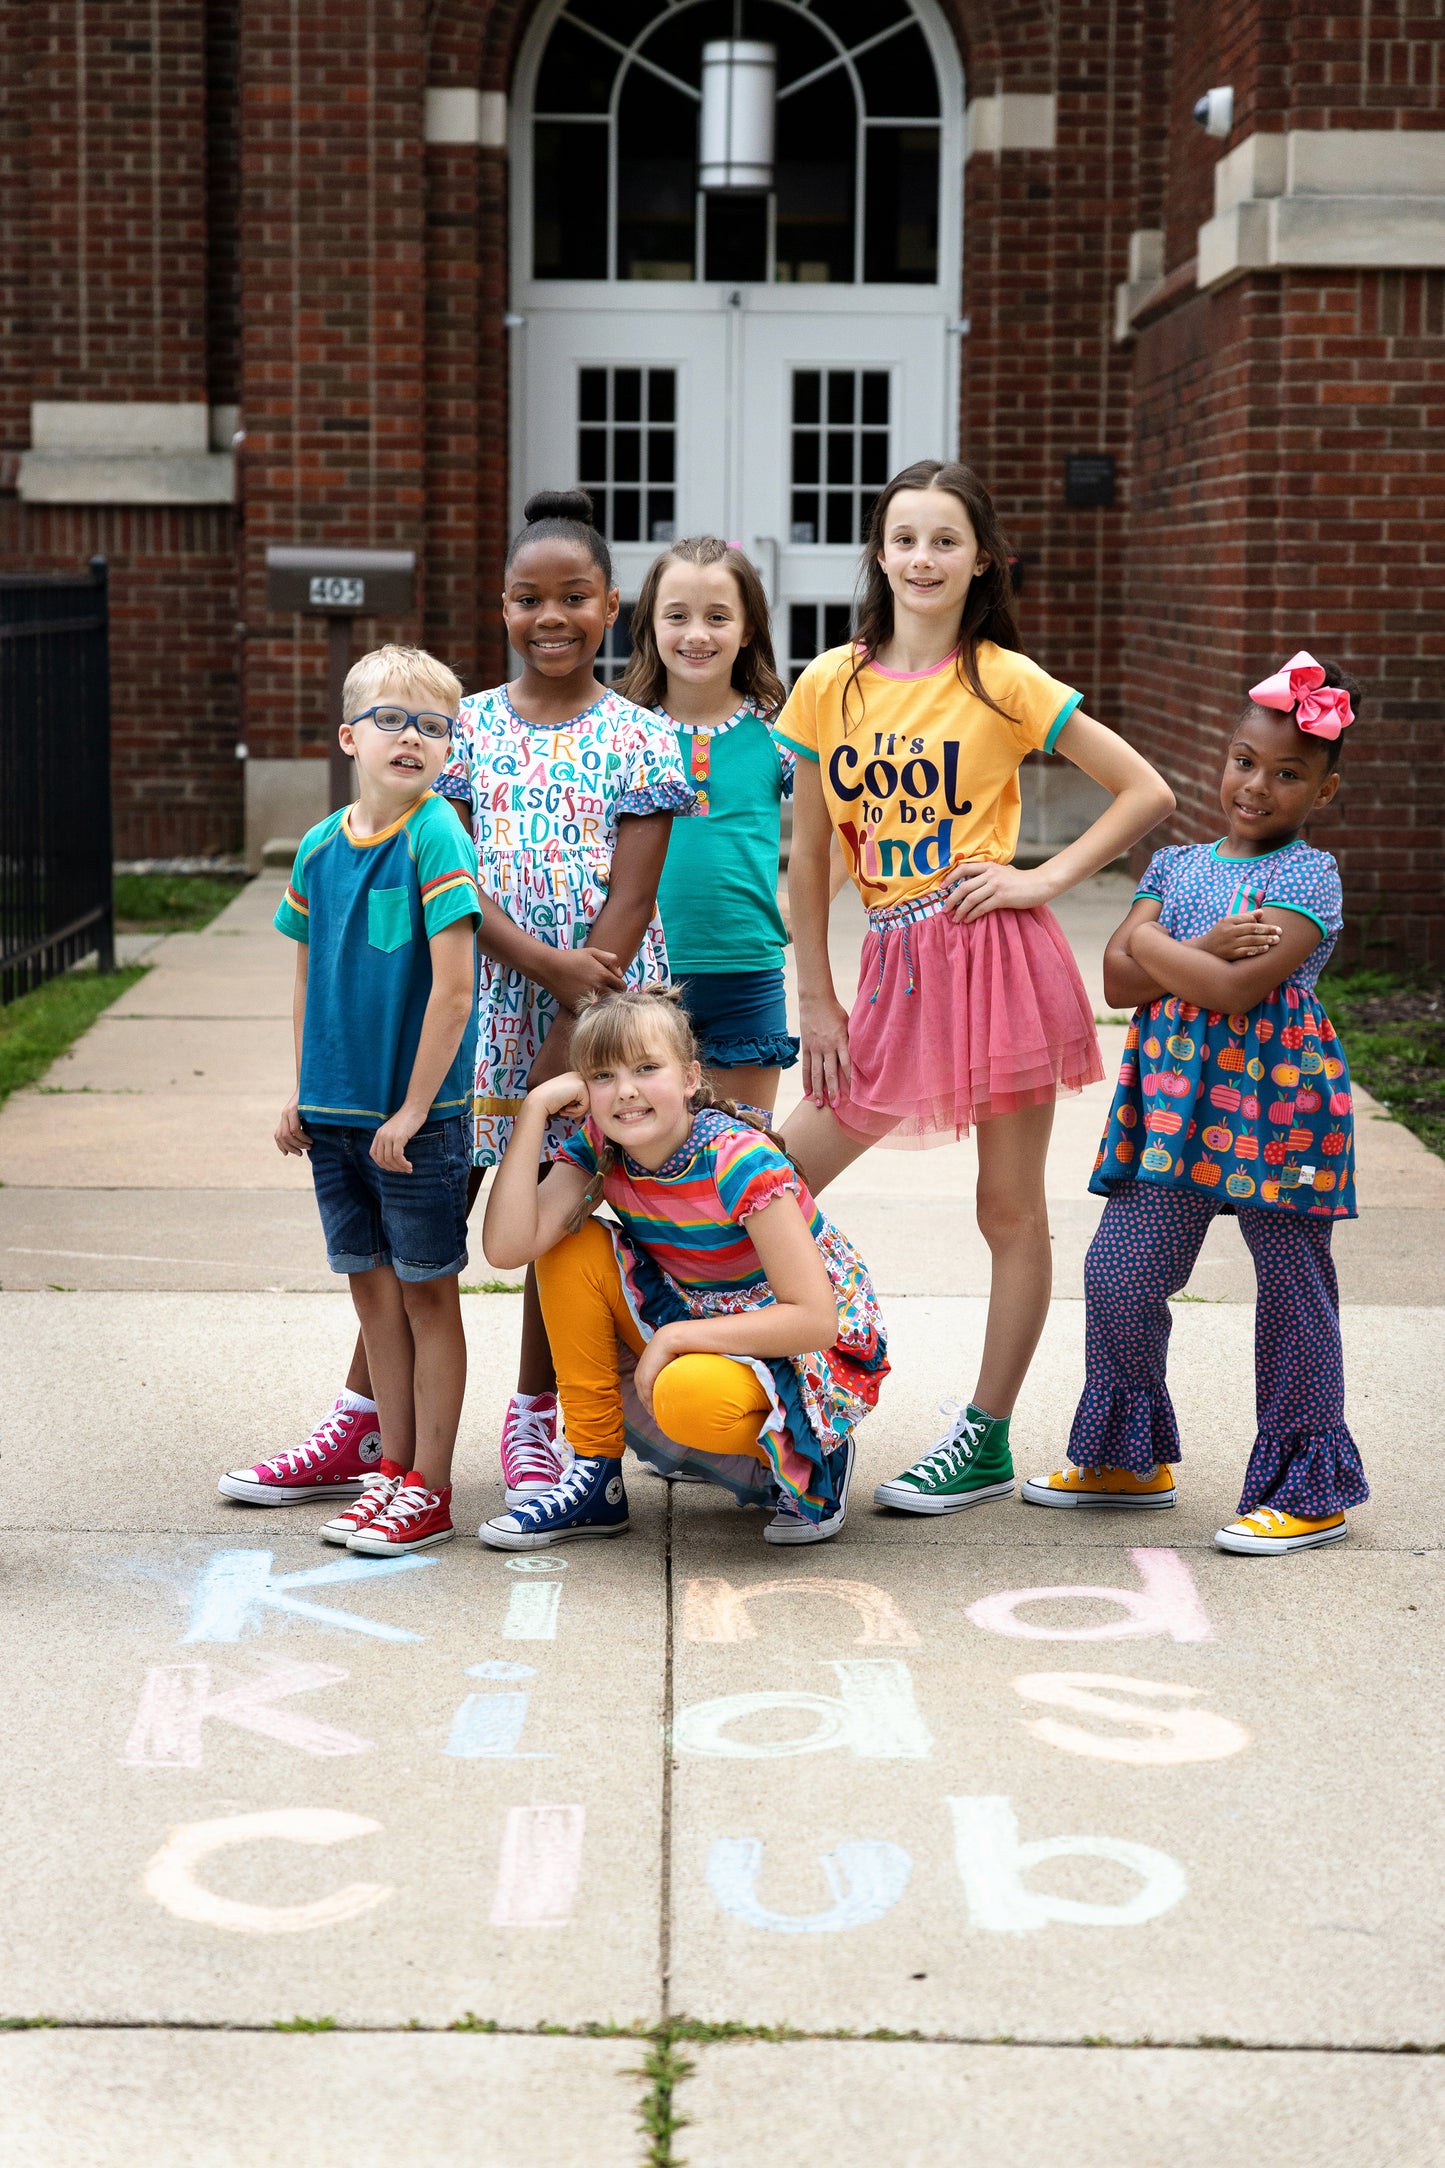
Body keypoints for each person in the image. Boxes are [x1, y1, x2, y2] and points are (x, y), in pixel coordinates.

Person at [776, 458, 1174, 1516]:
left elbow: (1144, 789)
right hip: (888, 973)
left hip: (995, 962)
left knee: (1006, 1208)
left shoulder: (1002, 677)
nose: (920, 557)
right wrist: (814, 998)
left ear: (981, 558)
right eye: (903, 537)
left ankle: (983, 1435)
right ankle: (767, 1382)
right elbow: (805, 856)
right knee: (768, 1178)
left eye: (944, 539)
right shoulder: (829, 683)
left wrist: (1039, 876)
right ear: (878, 552)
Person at [1024, 653, 1368, 1555]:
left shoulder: (1308, 877)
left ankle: (1307, 1487)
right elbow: (1116, 979)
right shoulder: (1175, 862)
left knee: (1293, 1291)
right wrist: (1192, 944)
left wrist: (1156, 940)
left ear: (1323, 792)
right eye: (1242, 761)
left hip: (1280, 1112)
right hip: (1177, 1111)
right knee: (1120, 1274)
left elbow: (1232, 993)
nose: (1256, 785)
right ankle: (1125, 1459)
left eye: (1288, 773)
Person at [218, 644, 481, 1554]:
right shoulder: (323, 846)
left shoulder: (436, 832)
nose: (412, 738)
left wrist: (413, 1108)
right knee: (373, 1301)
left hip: (416, 1127)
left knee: (426, 1301)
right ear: (348, 737)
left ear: (450, 747)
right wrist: (305, 1090)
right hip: (336, 1123)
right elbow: (306, 981)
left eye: (434, 726)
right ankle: (392, 1469)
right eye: (392, 720)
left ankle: (431, 1488)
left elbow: (452, 992)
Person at [475, 986, 888, 1550]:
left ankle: (817, 1455)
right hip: (699, 1312)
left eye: (647, 1068)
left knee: (688, 1397)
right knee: (565, 1245)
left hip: (797, 1344)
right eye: (602, 1076)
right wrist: (533, 1112)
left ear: (690, 1078)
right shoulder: (604, 1144)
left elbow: (815, 1320)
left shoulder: (738, 1159)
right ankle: (595, 1476)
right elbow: (507, 1247)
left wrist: (673, 1339)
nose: (625, 1092)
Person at [617, 535, 798, 1115]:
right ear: (648, 625)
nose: (697, 634)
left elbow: (848, 824)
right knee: (639, 1158)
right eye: (678, 616)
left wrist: (807, 895)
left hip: (746, 972)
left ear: (748, 630)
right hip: (640, 973)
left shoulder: (779, 730)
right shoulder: (619, 731)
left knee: (744, 1150)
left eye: (718, 617)